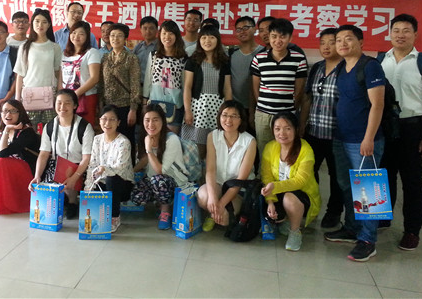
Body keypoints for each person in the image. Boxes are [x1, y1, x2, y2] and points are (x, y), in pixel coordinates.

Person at [379, 14, 422, 250]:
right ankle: (381, 219)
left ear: (415, 35)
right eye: (396, 30)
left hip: (412, 127)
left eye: (406, 30)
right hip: (384, 126)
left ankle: (412, 231)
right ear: (389, 33)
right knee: (383, 176)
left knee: (412, 181)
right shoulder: (380, 60)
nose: (400, 35)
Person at [324, 25, 385, 262]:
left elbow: (377, 105)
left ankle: (368, 240)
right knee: (347, 185)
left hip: (363, 140)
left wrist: (368, 138)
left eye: (348, 39)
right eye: (338, 39)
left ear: (361, 42)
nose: (342, 43)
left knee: (368, 189)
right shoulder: (342, 67)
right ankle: (352, 228)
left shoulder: (370, 66)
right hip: (341, 137)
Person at [299, 28, 344, 229]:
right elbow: (307, 98)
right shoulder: (317, 67)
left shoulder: (347, 68)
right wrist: (302, 124)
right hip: (314, 131)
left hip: (337, 134)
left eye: (331, 42)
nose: (326, 47)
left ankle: (334, 212)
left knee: (337, 176)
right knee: (309, 172)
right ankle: (310, 204)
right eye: (323, 43)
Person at [29, 89, 94, 219]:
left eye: (67, 103)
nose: (62, 107)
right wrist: (37, 176)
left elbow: (87, 158)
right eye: (59, 103)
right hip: (57, 165)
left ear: (75, 105)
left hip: (79, 166)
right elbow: (43, 154)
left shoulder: (84, 127)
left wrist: (74, 178)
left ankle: (72, 202)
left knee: (69, 178)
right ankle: (63, 198)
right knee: (47, 192)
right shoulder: (50, 126)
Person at [261, 111, 321, 251]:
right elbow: (266, 177)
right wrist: (270, 201)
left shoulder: (305, 149)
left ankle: (295, 232)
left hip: (301, 195)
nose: (282, 133)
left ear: (296, 130)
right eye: (277, 128)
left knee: (289, 198)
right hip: (277, 191)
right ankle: (285, 220)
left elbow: (300, 181)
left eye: (287, 128)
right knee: (265, 203)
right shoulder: (270, 147)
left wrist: (274, 186)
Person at [251, 18, 307, 156]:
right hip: (263, 115)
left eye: (282, 36)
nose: (277, 41)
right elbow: (255, 88)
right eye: (274, 36)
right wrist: (262, 106)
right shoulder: (259, 59)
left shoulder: (299, 59)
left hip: (287, 115)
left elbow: (299, 90)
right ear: (269, 37)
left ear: (290, 38)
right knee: (264, 152)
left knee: (286, 153)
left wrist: (291, 109)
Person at [197, 100, 257, 231]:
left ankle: (215, 213)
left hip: (238, 189)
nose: (228, 120)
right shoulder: (212, 136)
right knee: (203, 196)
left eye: (234, 116)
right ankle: (213, 212)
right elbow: (210, 170)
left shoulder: (250, 141)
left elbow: (240, 180)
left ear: (241, 120)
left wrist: (220, 204)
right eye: (224, 115)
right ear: (219, 117)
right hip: (218, 184)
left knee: (225, 219)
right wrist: (212, 198)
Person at [130, 104, 189, 230]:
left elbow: (161, 170)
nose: (151, 124)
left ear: (163, 121)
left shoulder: (171, 139)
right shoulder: (146, 137)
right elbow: (145, 160)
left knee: (158, 180)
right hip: (154, 180)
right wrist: (130, 172)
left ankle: (165, 211)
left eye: (155, 120)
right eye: (147, 120)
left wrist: (149, 149)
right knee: (137, 196)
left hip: (174, 181)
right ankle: (160, 202)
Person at [181, 25, 232, 159]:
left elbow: (227, 88)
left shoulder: (224, 62)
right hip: (198, 108)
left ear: (217, 40)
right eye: (203, 37)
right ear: (199, 40)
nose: (207, 41)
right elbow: (187, 87)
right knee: (198, 146)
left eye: (211, 37)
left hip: (218, 108)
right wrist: (187, 110)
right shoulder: (193, 61)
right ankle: (198, 171)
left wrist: (229, 112)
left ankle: (212, 171)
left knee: (216, 144)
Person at [85, 104, 135, 232]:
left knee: (111, 179)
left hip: (121, 184)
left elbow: (119, 168)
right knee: (91, 180)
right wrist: (88, 188)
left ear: (118, 122)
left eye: (112, 119)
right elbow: (92, 165)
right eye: (104, 119)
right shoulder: (97, 139)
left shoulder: (123, 142)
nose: (107, 123)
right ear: (99, 120)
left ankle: (114, 217)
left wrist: (104, 169)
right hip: (102, 181)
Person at [0, 100, 41, 214]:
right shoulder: (10, 129)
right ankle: (2, 201)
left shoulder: (26, 132)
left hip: (31, 173)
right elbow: (7, 154)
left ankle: (8, 203)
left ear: (20, 113)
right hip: (19, 168)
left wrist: (7, 129)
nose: (8, 114)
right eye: (5, 111)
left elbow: (2, 154)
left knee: (1, 161)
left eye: (13, 111)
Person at [14, 8, 62, 131]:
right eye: (37, 21)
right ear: (32, 23)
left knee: (49, 130)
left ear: (49, 25)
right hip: (30, 94)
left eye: (44, 22)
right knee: (30, 130)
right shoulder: (25, 47)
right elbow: (20, 74)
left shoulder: (54, 47)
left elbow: (58, 72)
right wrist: (18, 98)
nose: (40, 25)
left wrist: (59, 93)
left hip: (49, 94)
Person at [99, 23, 141, 163]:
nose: (115, 39)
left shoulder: (131, 58)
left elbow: (135, 85)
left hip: (125, 107)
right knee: (109, 140)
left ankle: (128, 170)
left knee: (126, 141)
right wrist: (100, 105)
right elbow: (101, 83)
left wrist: (133, 109)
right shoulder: (105, 58)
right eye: (112, 35)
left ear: (125, 39)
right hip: (108, 107)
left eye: (119, 36)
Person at [142, 20, 188, 134]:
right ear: (160, 35)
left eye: (171, 33)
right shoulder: (154, 55)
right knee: (154, 136)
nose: (167, 37)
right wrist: (144, 102)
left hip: (175, 106)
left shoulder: (183, 58)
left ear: (176, 36)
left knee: (172, 138)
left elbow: (185, 85)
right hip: (154, 104)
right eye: (164, 33)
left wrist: (187, 108)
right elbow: (148, 80)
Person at [61, 21, 101, 125]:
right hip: (66, 98)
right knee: (67, 127)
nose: (76, 36)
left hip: (86, 97)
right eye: (74, 32)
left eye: (81, 34)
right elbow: (60, 76)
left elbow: (94, 78)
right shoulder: (64, 54)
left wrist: (76, 94)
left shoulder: (92, 53)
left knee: (85, 127)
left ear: (87, 36)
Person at [229, 16, 263, 125]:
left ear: (254, 29)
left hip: (259, 107)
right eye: (238, 29)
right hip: (235, 107)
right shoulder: (231, 53)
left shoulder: (264, 53)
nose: (242, 32)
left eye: (246, 28)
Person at [133, 16, 159, 83]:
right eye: (145, 28)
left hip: (154, 85)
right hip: (139, 84)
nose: (148, 31)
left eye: (151, 28)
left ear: (157, 30)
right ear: (140, 30)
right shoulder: (138, 47)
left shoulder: (161, 47)